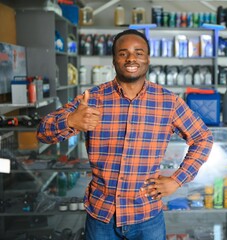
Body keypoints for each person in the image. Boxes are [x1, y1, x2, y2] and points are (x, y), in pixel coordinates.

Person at [37, 29, 213, 240]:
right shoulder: (92, 99)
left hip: (147, 216)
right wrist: (70, 121)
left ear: (148, 59)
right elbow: (42, 132)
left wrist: (177, 180)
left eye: (138, 52)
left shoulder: (168, 102)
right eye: (123, 53)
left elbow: (203, 138)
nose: (131, 58)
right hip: (101, 216)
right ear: (114, 60)